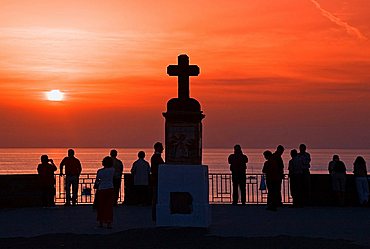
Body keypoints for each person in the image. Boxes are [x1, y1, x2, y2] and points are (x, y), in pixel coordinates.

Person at [94, 156, 115, 228]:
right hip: (110, 188)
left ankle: (101, 222)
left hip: (101, 189)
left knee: (101, 206)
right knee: (109, 206)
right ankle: (109, 222)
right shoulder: (112, 170)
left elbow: (97, 181)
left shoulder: (100, 171)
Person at [150, 142, 165, 222]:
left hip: (156, 179)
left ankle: (155, 215)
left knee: (156, 198)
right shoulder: (156, 157)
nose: (163, 148)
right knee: (155, 198)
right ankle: (155, 216)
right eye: (161, 147)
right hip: (156, 180)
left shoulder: (155, 157)